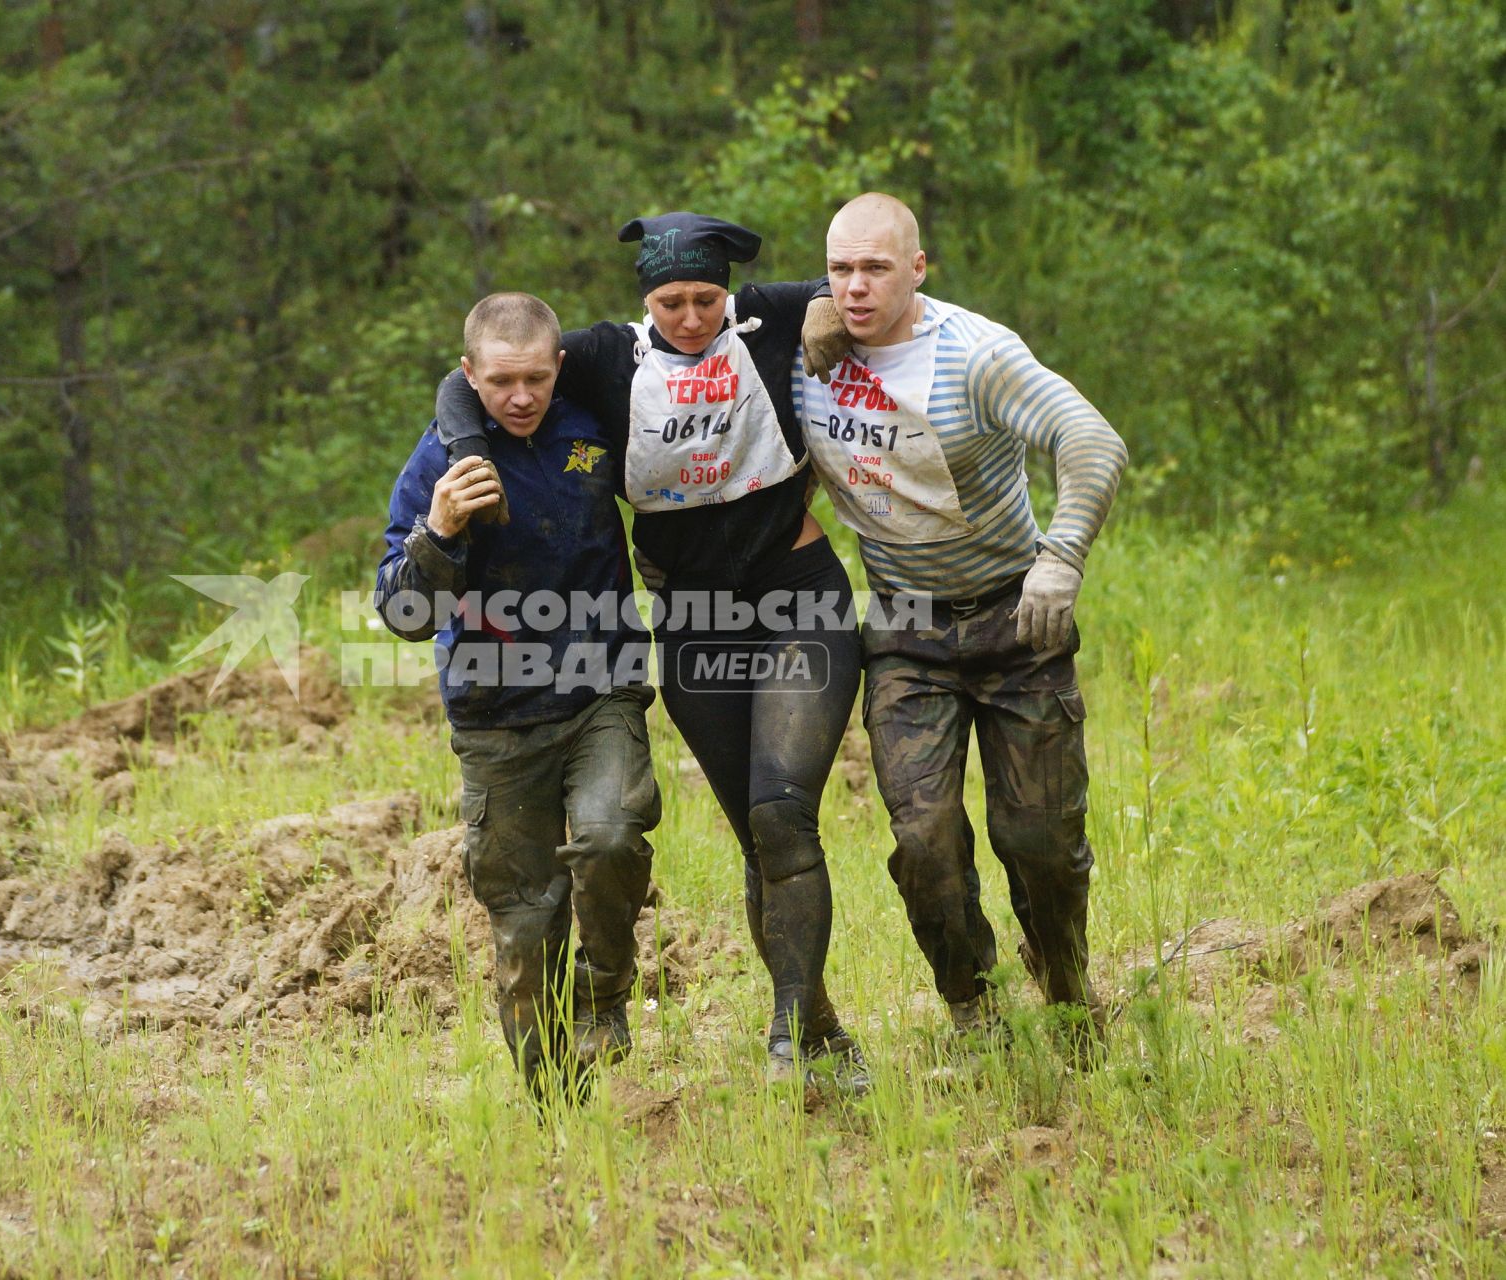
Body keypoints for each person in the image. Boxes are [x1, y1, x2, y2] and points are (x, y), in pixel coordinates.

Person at [434, 214, 867, 1088]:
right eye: (671, 301)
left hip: (797, 597)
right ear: (645, 298)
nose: (692, 317)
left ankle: (791, 1041)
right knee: (755, 832)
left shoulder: (766, 317)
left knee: (784, 813)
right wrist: (472, 452)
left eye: (706, 298)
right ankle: (813, 1015)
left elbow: (860, 295)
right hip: (695, 616)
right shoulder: (606, 358)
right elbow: (464, 377)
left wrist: (823, 304)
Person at [798, 193, 1128, 1057]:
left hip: (1016, 619)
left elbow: (1092, 440)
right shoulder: (806, 350)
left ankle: (1063, 981)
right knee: (925, 839)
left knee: (1042, 842)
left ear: (919, 268)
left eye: (877, 268)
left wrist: (1062, 555)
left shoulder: (977, 356)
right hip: (905, 631)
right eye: (840, 270)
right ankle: (973, 1009)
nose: (856, 287)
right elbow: (698, 327)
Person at [376, 292, 661, 1107]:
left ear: (558, 367)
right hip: (495, 717)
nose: (522, 396)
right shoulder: (440, 461)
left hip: (600, 688)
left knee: (610, 836)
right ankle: (554, 1110)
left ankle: (606, 998)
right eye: (501, 381)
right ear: (470, 375)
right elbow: (400, 612)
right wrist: (438, 535)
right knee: (525, 920)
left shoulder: (591, 423)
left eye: (536, 376)